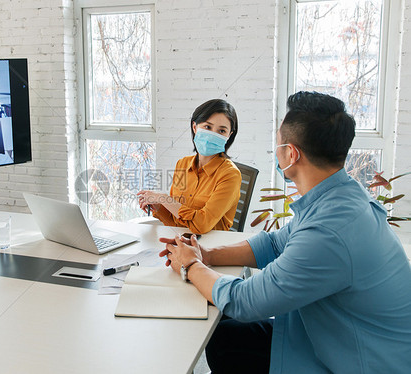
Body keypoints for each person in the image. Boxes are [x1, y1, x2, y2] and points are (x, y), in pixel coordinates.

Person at [159, 91, 411, 373]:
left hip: (353, 359)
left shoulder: (329, 231)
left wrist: (191, 265)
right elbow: (274, 245)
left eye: (277, 142)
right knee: (224, 330)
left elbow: (245, 301)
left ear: (291, 154)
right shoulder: (339, 198)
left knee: (226, 333)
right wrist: (206, 255)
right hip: (331, 334)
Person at [137, 99, 242, 234]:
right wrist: (160, 207)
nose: (213, 134)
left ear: (229, 135)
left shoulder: (230, 174)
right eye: (207, 127)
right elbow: (177, 222)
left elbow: (202, 225)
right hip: (182, 244)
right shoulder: (183, 164)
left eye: (221, 131)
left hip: (211, 249)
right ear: (195, 127)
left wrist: (163, 198)